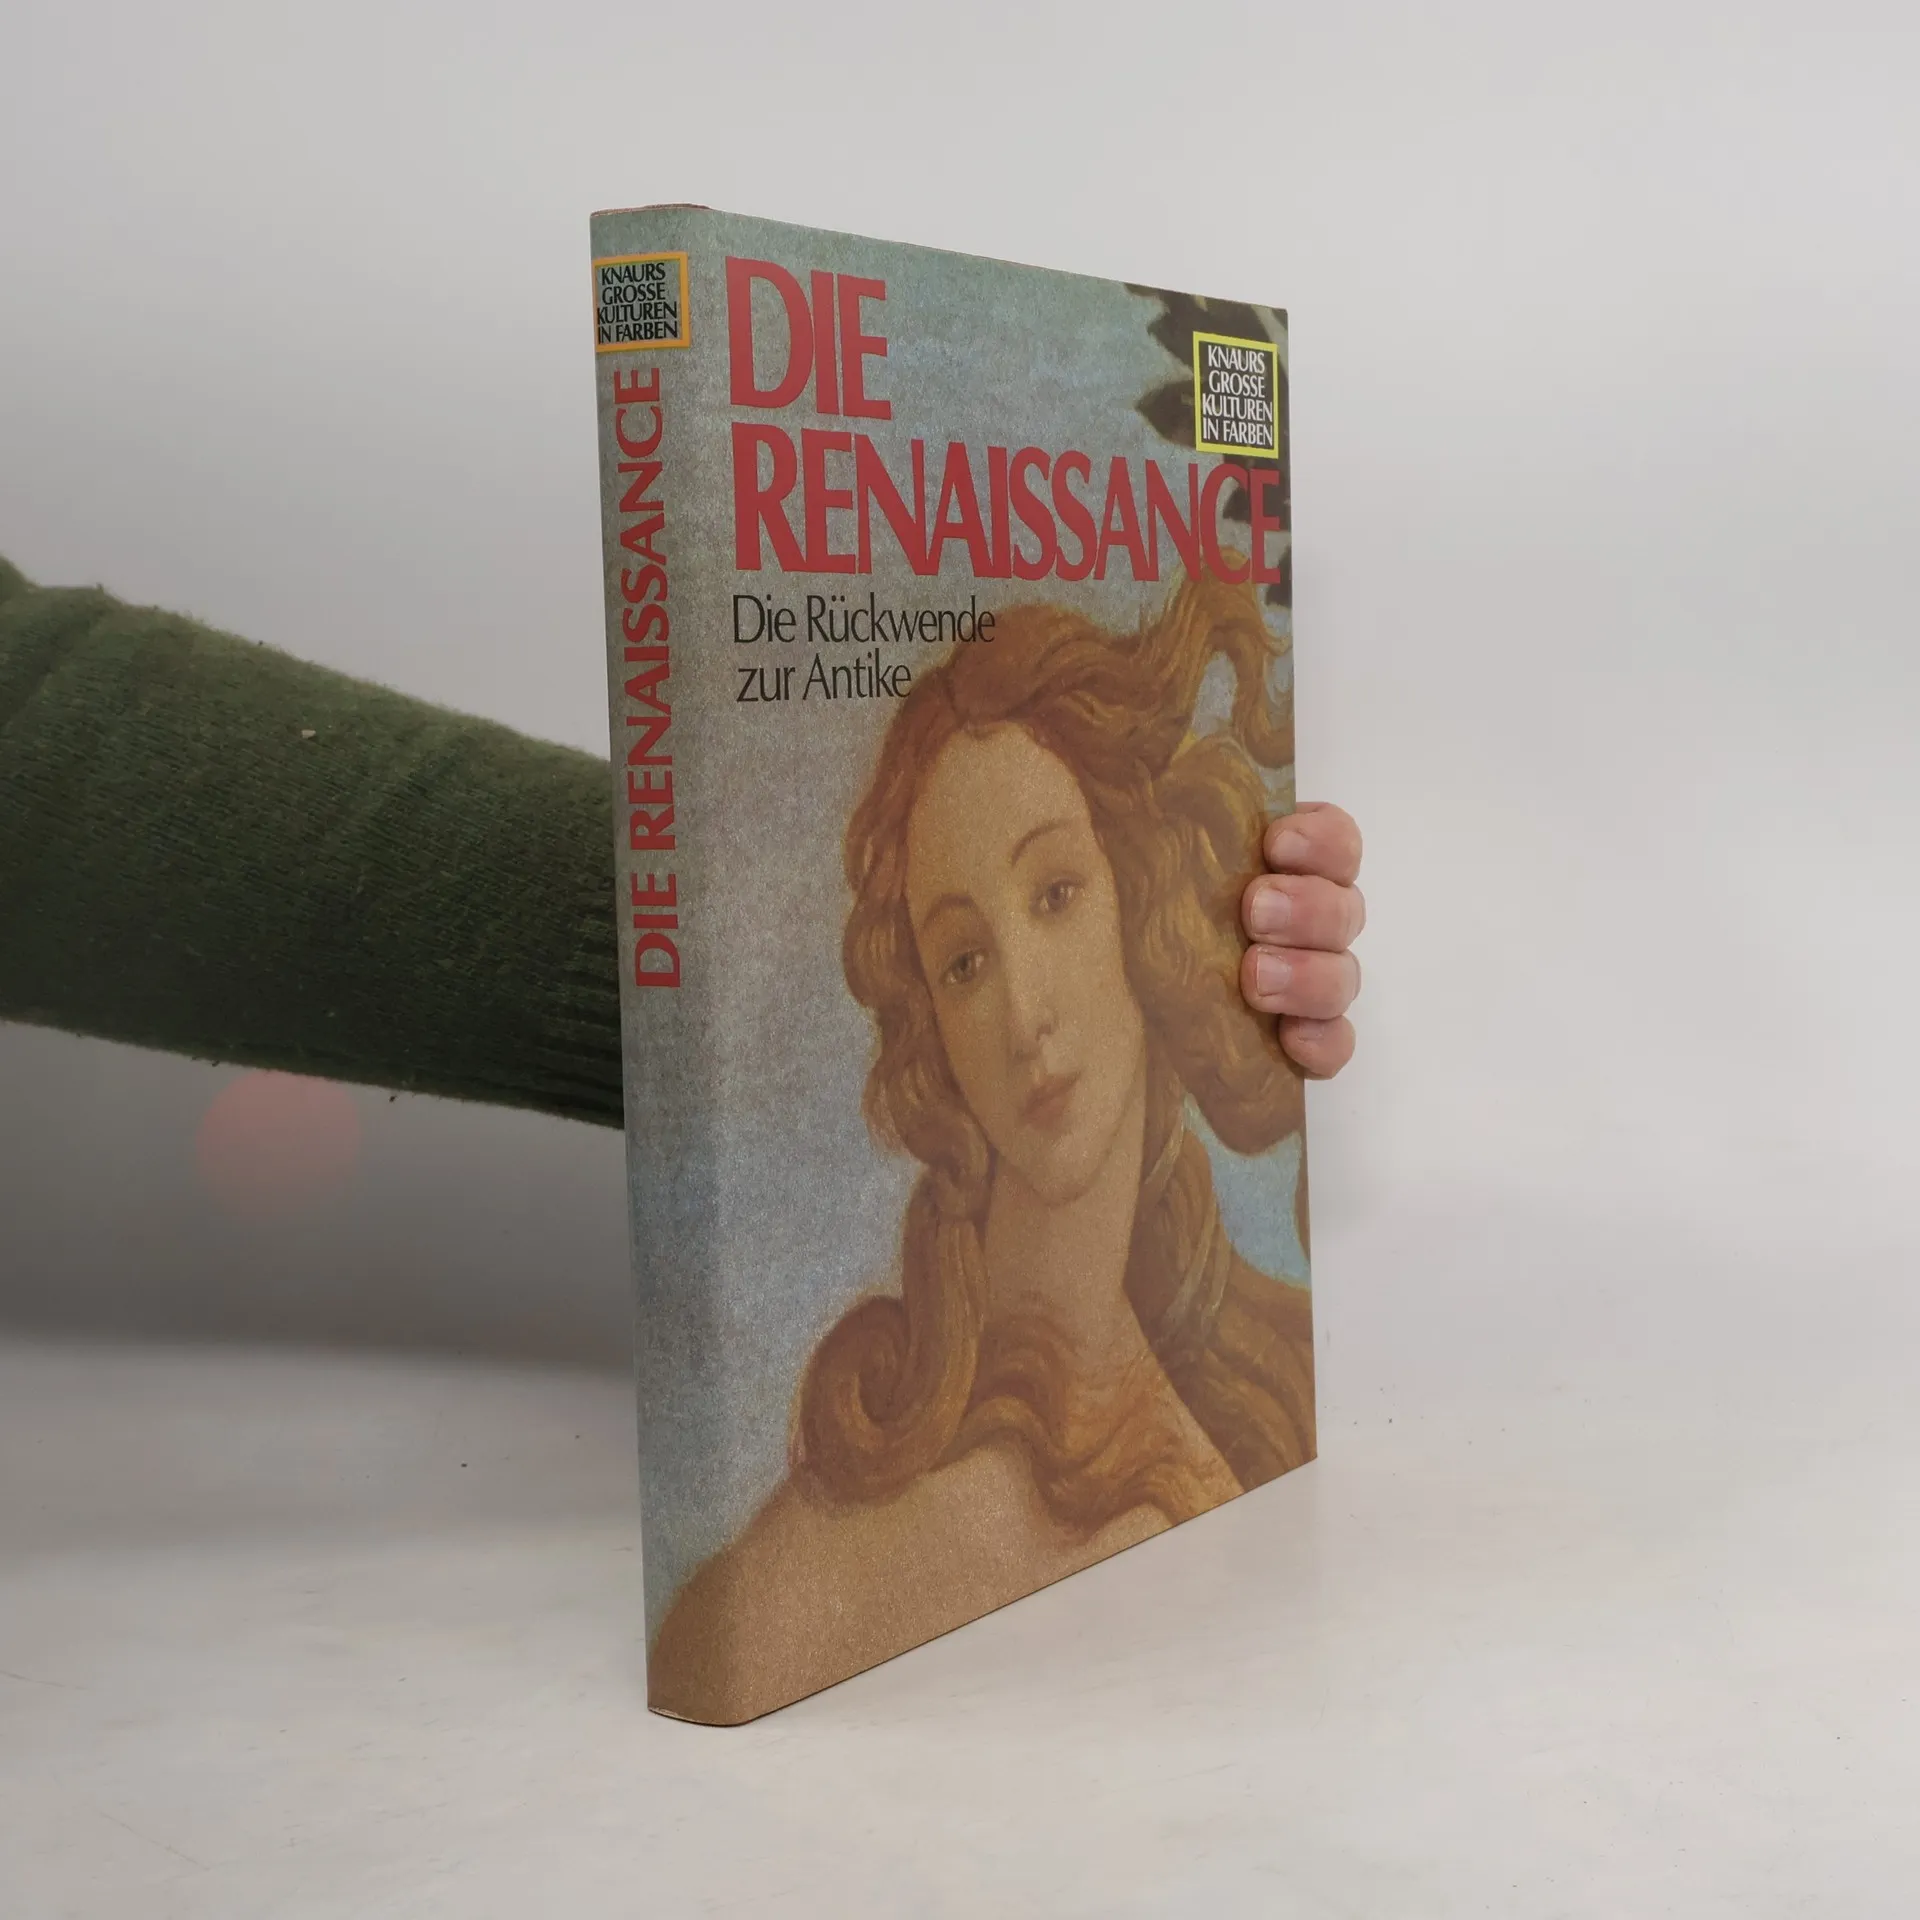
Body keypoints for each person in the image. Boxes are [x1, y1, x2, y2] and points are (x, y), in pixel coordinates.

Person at [648, 572, 1359, 1722]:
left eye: (1058, 893)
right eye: (964, 963)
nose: (1022, 1014)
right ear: (932, 1026)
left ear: (1140, 893)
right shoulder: (857, 1547)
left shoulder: (1224, 1388)